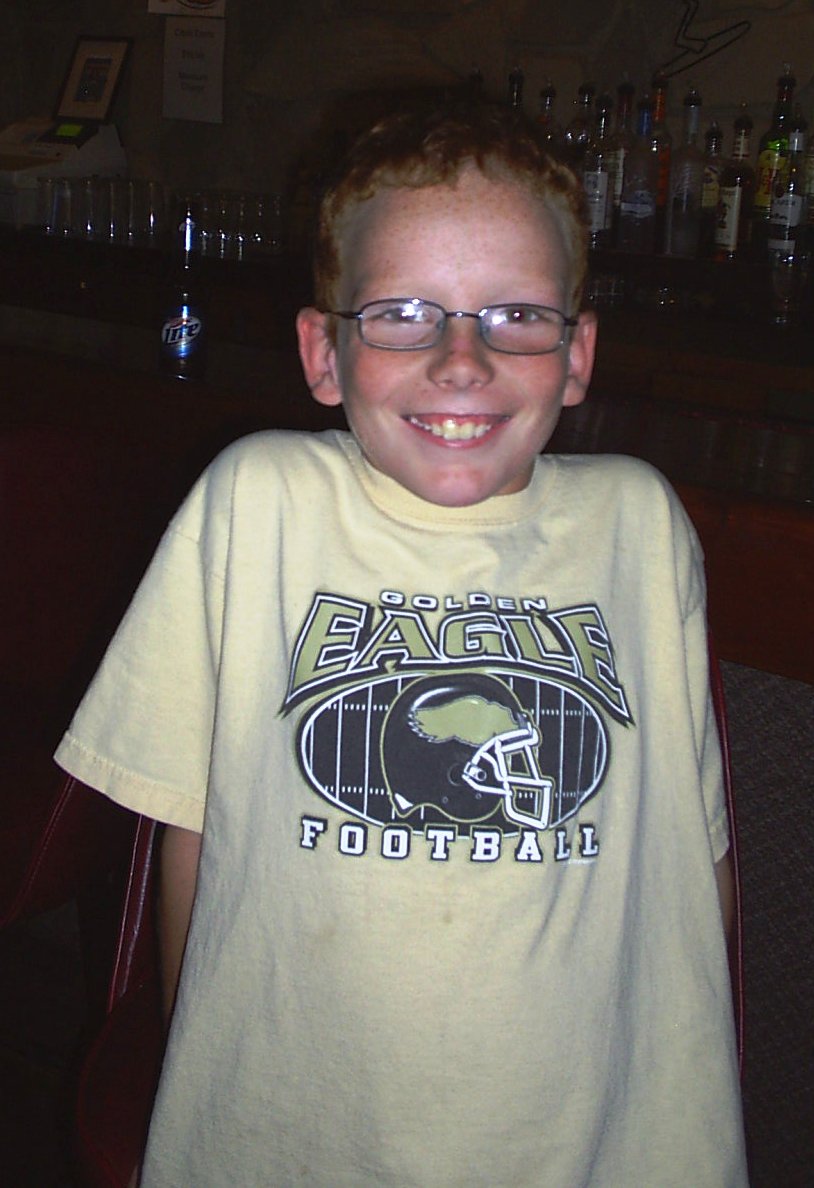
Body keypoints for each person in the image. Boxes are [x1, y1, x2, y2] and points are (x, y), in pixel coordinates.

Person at [55, 100, 747, 1186]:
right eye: (402, 314)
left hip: (589, 1135)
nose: (462, 360)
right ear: (323, 352)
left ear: (577, 355)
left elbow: (692, 849)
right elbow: (193, 825)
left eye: (517, 314)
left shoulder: (641, 524)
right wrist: (204, 1070)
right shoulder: (255, 501)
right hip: (300, 1129)